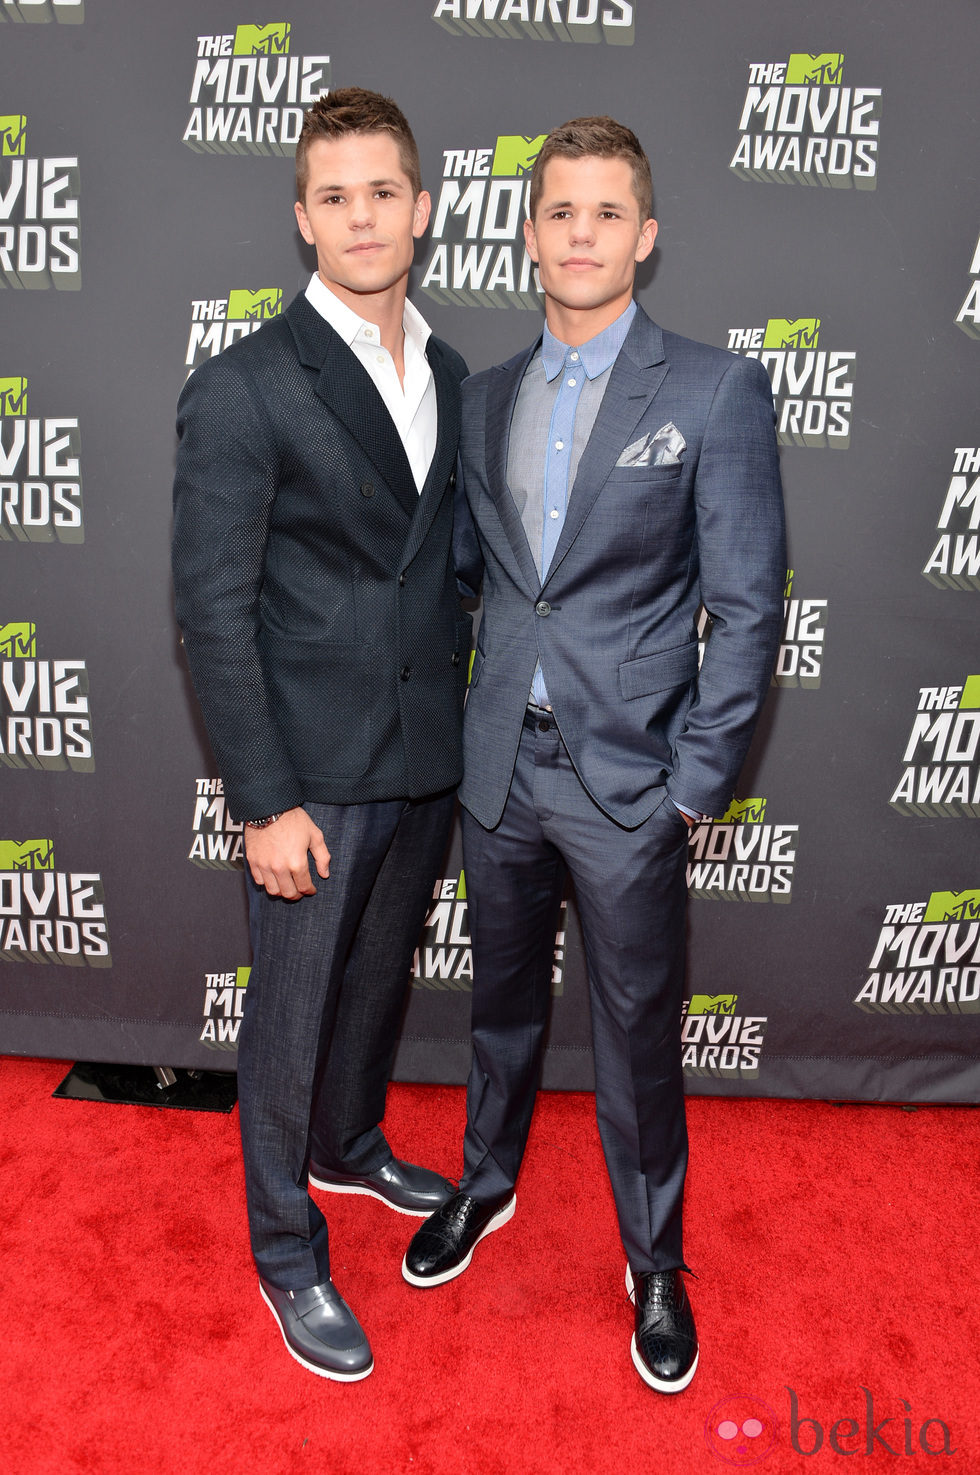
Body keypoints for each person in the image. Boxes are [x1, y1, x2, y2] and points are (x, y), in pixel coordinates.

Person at [402, 116, 785, 1394]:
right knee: (498, 1006)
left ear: (646, 235)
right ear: (527, 236)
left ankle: (655, 1261)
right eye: (559, 212)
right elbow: (478, 579)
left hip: (630, 783)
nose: (581, 234)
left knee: (635, 1032)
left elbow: (744, 605)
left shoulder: (714, 389)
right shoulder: (484, 393)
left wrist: (694, 782)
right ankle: (485, 1183)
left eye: (606, 213)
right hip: (498, 767)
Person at [172, 87, 471, 1381]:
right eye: (335, 194)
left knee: (372, 984)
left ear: (423, 207)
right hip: (309, 770)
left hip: (424, 754)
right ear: (303, 219)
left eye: (383, 190)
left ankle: (350, 1145)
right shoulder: (243, 385)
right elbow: (210, 608)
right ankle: (288, 1252)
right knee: (289, 1016)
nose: (362, 215)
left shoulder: (452, 371)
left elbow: (445, 568)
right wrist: (264, 794)